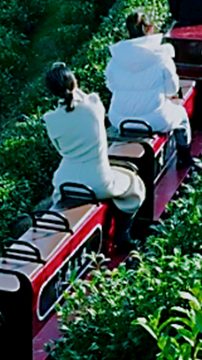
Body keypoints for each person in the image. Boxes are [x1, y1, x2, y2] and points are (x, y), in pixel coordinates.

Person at [43, 63, 145, 253]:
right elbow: (83, 102)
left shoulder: (50, 119)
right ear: (74, 81)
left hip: (65, 180)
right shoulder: (94, 104)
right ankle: (123, 236)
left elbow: (60, 150)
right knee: (134, 184)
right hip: (98, 181)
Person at [105, 12, 193, 169]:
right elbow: (172, 90)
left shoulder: (115, 59)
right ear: (150, 28)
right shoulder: (161, 56)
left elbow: (111, 87)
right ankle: (184, 159)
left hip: (119, 119)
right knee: (181, 116)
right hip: (155, 120)